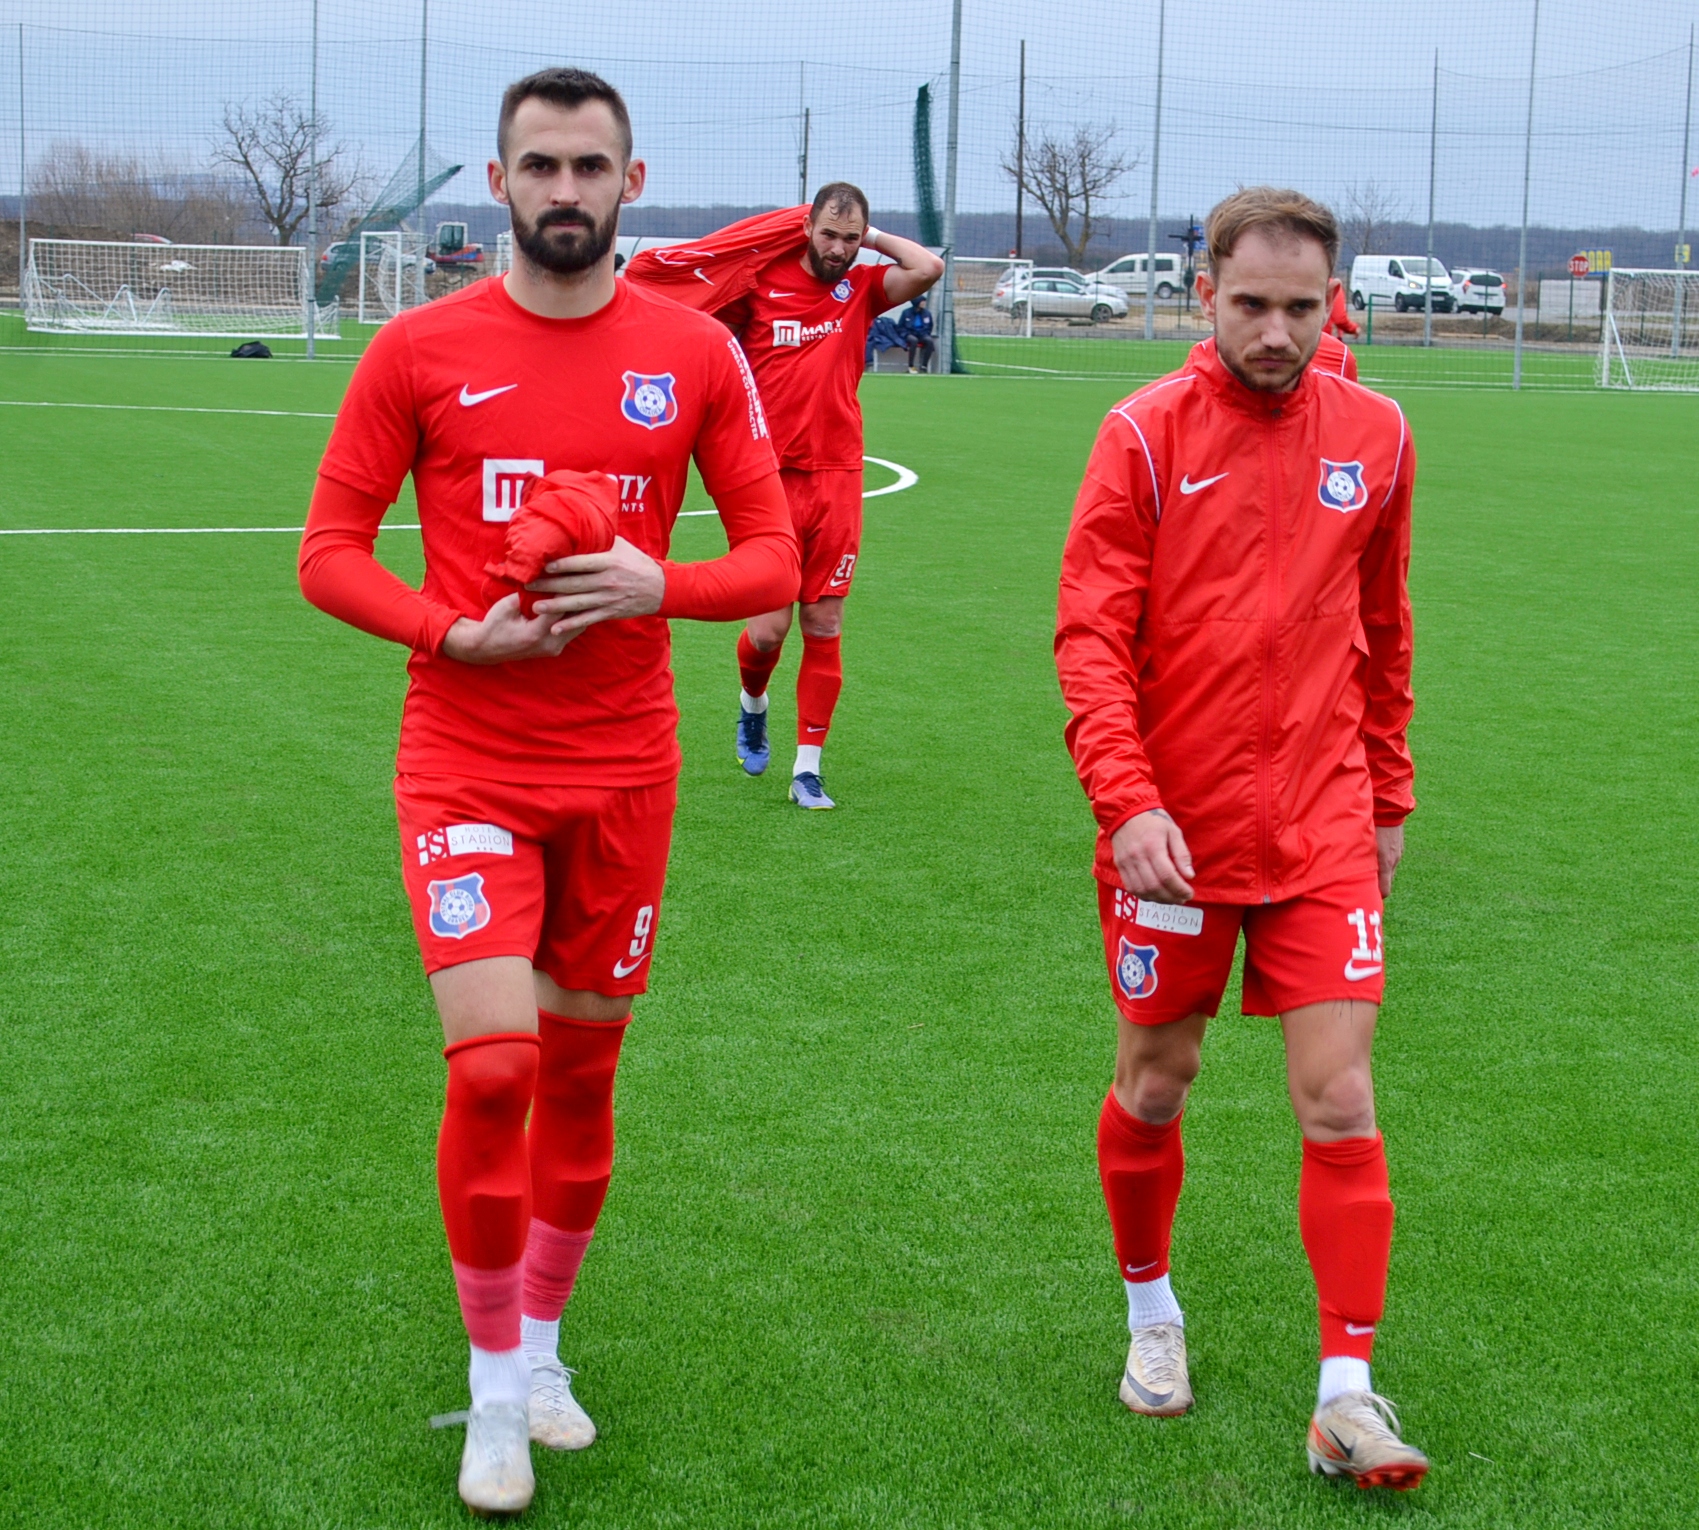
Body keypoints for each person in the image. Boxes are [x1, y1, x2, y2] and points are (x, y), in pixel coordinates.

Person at [296, 67, 797, 1516]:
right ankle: (494, 1388)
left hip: (626, 765)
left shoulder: (693, 354)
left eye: (589, 166)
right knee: (496, 1063)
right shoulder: (419, 349)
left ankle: (549, 1343)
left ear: (629, 183)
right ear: (498, 180)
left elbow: (772, 556)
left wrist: (662, 582)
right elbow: (330, 550)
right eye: (538, 165)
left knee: (581, 1071)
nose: (563, 190)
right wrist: (452, 629)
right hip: (464, 752)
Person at [1054, 186, 1427, 1491]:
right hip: (1173, 834)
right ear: (1200, 293)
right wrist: (1127, 800)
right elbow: (1088, 638)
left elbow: (1381, 631)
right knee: (1155, 1080)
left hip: (1320, 822)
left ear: (1334, 305)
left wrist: (1385, 796)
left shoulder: (1375, 435)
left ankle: (1344, 1393)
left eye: (1300, 305)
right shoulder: (1141, 436)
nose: (1274, 331)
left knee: (1337, 1095)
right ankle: (1150, 1312)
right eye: (1250, 303)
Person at [717, 185, 943, 807]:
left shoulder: (864, 289)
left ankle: (807, 769)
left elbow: (927, 267)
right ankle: (753, 705)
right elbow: (704, 331)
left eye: (851, 238)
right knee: (767, 631)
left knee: (824, 619)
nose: (839, 249)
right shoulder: (761, 283)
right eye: (829, 235)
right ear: (806, 228)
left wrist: (870, 239)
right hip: (768, 481)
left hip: (839, 476)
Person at [899, 294, 936, 373]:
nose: (924, 304)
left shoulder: (927, 313)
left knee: (929, 341)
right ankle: (911, 366)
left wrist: (926, 333)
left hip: (922, 333)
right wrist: (905, 334)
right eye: (922, 302)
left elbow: (930, 325)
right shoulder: (906, 312)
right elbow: (900, 326)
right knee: (913, 340)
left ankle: (924, 366)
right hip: (909, 333)